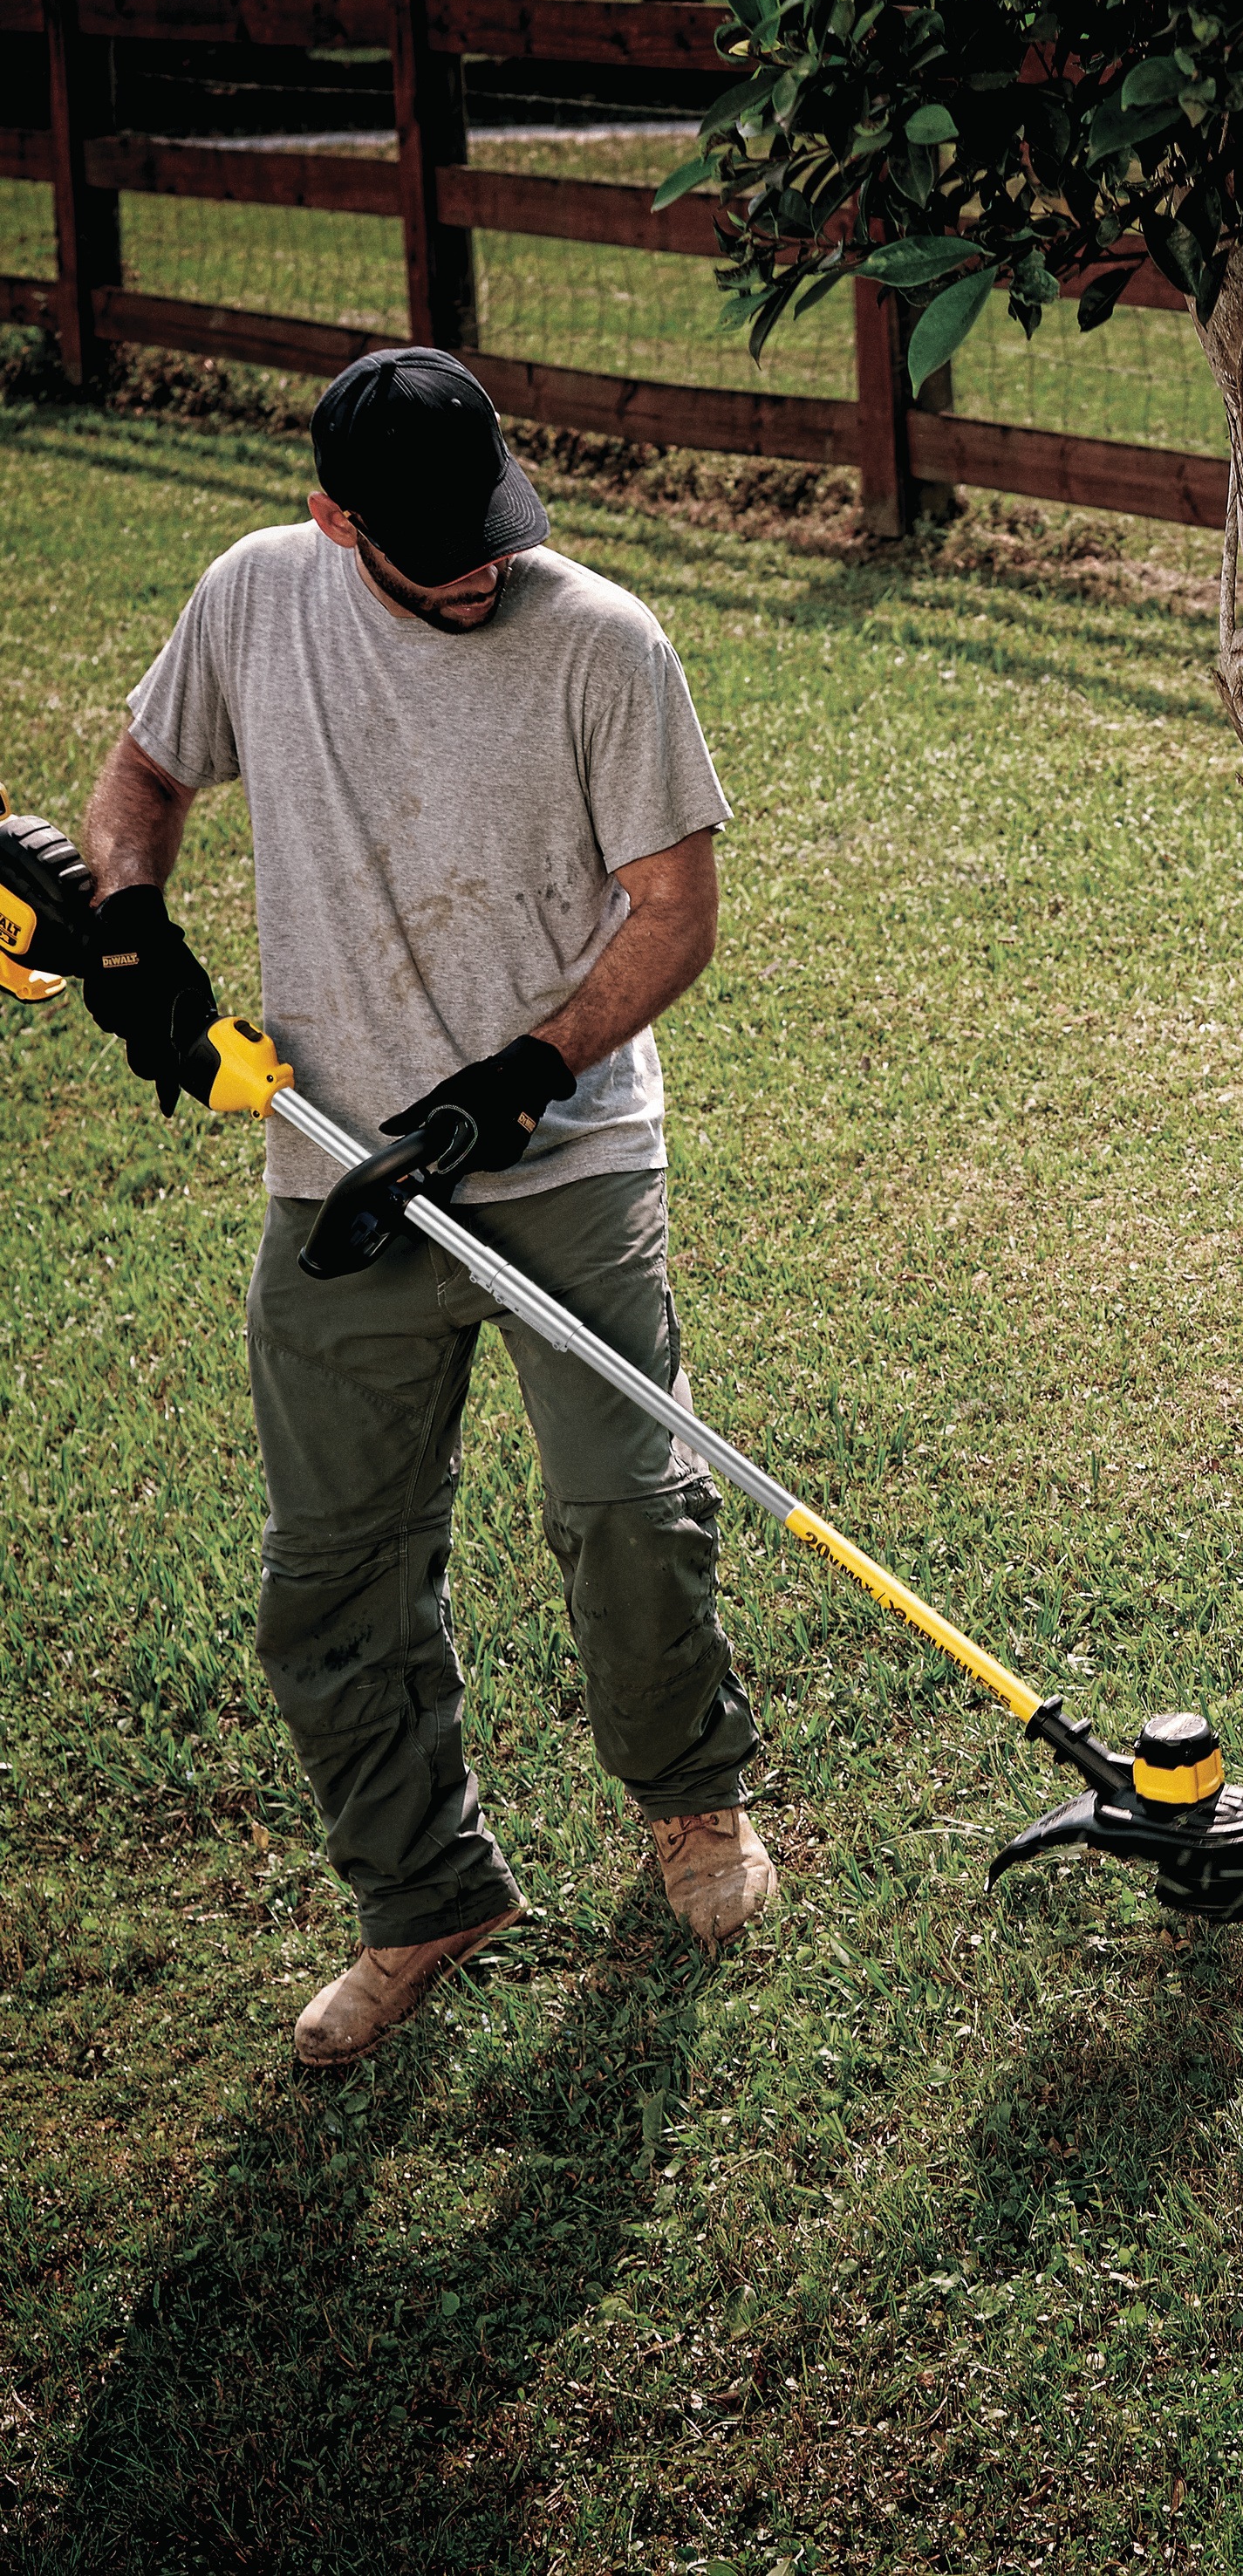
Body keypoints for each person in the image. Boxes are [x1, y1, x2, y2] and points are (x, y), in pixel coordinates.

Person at [79, 347, 776, 2067]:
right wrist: (127, 934)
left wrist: (513, 1083)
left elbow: (674, 913)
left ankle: (691, 1800)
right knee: (335, 1577)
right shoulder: (256, 598)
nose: (479, 569)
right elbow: (142, 779)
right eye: (432, 550)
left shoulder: (602, 641)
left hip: (568, 1156)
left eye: (490, 530)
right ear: (334, 522)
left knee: (628, 1505)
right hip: (333, 1167)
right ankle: (423, 1892)